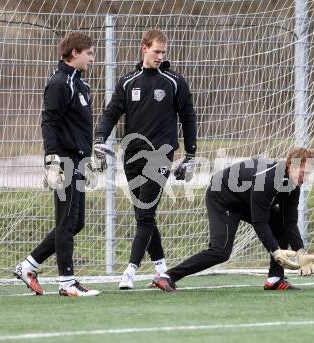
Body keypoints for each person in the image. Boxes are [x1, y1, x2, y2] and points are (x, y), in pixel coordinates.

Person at [93, 29, 197, 290]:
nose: (161, 56)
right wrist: (99, 139)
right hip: (132, 156)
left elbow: (189, 118)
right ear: (144, 49)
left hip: (160, 155)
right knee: (143, 215)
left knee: (146, 214)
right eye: (156, 51)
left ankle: (129, 271)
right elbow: (111, 113)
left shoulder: (174, 81)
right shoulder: (128, 82)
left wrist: (190, 154)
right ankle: (162, 270)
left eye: (164, 52)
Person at [152, 147, 314, 292]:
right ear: (291, 165)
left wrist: (301, 252)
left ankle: (275, 280)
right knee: (221, 252)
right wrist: (276, 252)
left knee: (280, 224)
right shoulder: (269, 179)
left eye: (308, 174)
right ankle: (166, 276)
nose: (305, 179)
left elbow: (289, 222)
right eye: (303, 173)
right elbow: (259, 222)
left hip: (246, 200)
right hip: (223, 197)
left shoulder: (293, 187)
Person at [14, 32, 100, 296]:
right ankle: (67, 282)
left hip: (79, 160)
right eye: (89, 53)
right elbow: (49, 122)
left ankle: (29, 266)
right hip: (64, 161)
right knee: (66, 222)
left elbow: (79, 127)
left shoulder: (81, 84)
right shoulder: (60, 82)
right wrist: (52, 160)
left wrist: (91, 154)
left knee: (76, 222)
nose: (92, 58)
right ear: (75, 53)